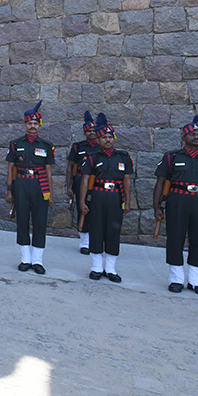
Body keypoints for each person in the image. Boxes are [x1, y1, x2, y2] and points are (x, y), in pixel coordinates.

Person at [153, 115, 198, 296]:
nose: (196, 137)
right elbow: (161, 182)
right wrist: (156, 207)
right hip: (178, 200)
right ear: (183, 137)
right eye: (192, 134)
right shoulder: (172, 157)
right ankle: (176, 279)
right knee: (175, 238)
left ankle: (194, 280)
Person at [79, 113, 133, 283]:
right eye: (104, 137)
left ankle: (110, 268)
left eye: (110, 137)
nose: (108, 140)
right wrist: (82, 201)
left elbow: (127, 181)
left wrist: (127, 202)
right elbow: (85, 180)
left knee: (113, 232)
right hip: (97, 196)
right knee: (96, 230)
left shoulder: (123, 157)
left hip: (115, 197)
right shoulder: (93, 158)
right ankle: (96, 267)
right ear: (99, 139)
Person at [6, 101, 55, 274]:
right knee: (22, 220)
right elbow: (11, 168)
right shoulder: (15, 144)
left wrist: (49, 192)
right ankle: (25, 259)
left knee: (40, 222)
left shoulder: (46, 145)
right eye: (29, 123)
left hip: (40, 184)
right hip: (21, 183)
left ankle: (38, 260)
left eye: (35, 123)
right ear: (25, 124)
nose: (32, 126)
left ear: (39, 125)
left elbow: (48, 170)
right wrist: (9, 190)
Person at [66, 111, 97, 255]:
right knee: (82, 209)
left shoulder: (101, 147)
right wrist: (68, 186)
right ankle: (84, 241)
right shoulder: (78, 147)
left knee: (96, 210)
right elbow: (70, 166)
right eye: (89, 131)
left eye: (94, 130)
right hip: (80, 181)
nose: (91, 133)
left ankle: (95, 240)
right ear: (84, 133)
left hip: (97, 183)